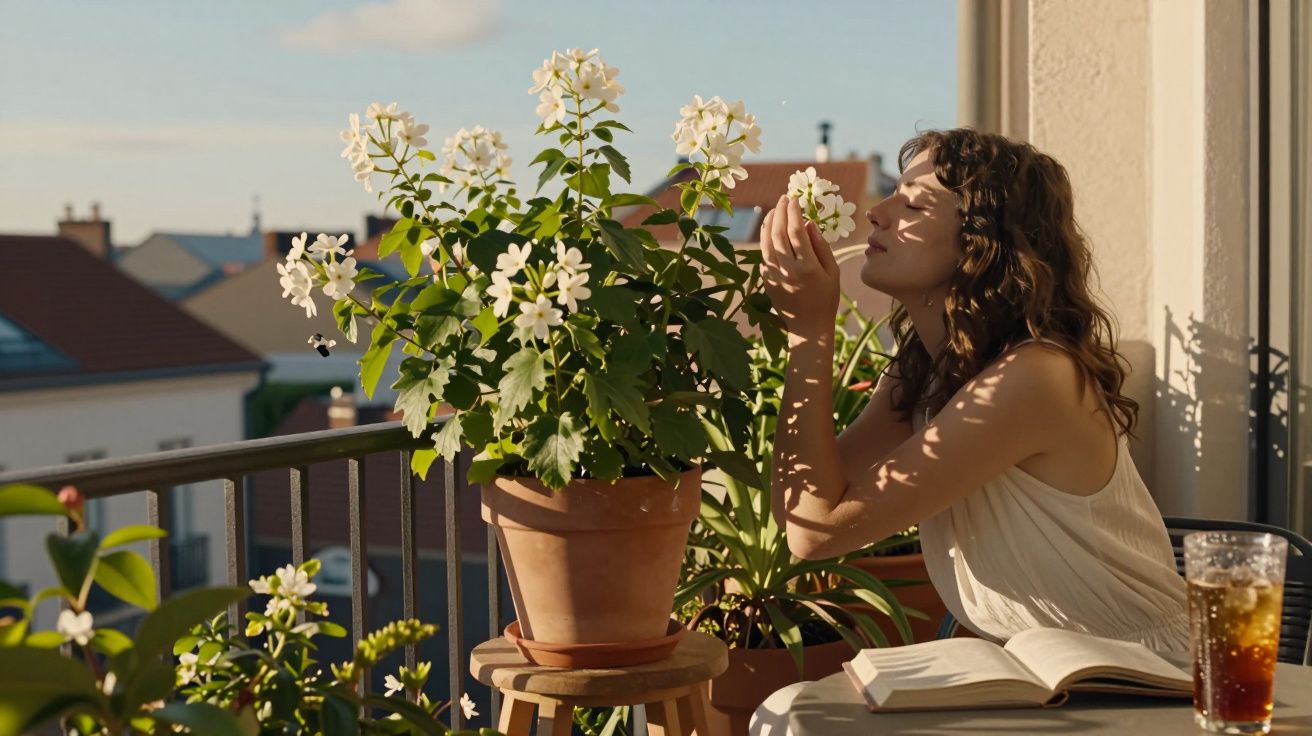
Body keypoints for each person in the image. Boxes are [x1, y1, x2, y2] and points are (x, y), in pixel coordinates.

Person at [758, 128, 1189, 653]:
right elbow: (801, 512)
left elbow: (817, 535)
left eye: (913, 205)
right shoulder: (927, 368)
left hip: (1145, 676)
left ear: (981, 244)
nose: (877, 212)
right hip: (1046, 675)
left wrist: (810, 333)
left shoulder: (1033, 377)